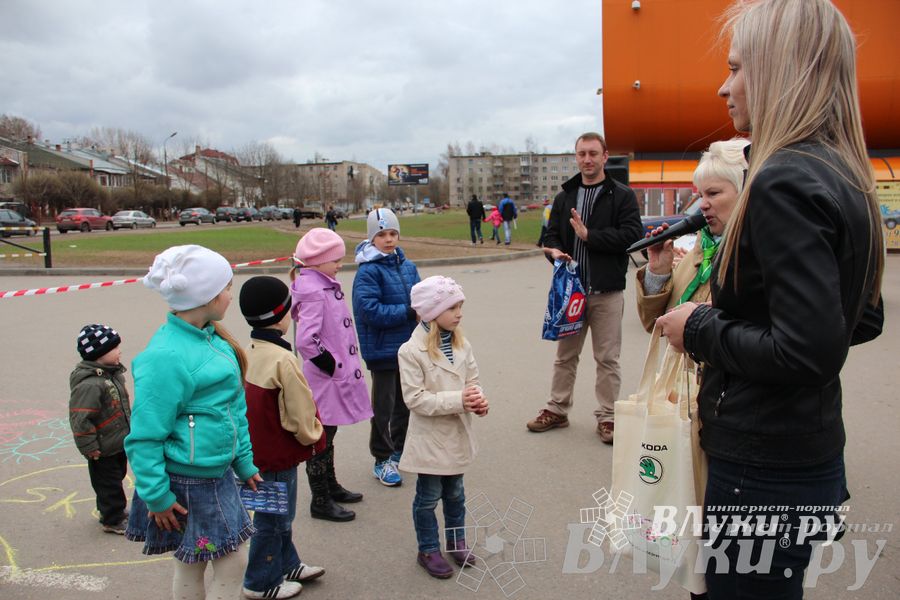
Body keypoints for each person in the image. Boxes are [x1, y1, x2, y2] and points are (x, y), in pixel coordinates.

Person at [655, 1, 884, 597]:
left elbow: (807, 351)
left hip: (762, 464)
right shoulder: (842, 171)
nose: (723, 87)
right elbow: (862, 320)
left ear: (781, 69)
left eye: (736, 68)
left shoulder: (783, 178)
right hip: (803, 449)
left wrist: (698, 326)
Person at [124, 245, 262, 600]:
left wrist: (244, 462)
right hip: (188, 483)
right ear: (207, 296)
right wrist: (156, 495)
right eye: (227, 288)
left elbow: (234, 409)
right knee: (226, 562)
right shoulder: (166, 356)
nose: (231, 295)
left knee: (198, 562)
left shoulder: (215, 340)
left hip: (217, 474)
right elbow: (145, 437)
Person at [526, 132, 643, 443]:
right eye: (582, 154)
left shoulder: (621, 195)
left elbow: (632, 236)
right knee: (565, 356)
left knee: (607, 358)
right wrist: (554, 252)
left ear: (605, 156)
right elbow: (551, 235)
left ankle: (608, 417)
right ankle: (557, 409)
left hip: (607, 291)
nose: (587, 159)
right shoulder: (565, 196)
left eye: (593, 153)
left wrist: (591, 236)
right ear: (576, 157)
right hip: (571, 292)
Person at [238, 276, 326, 599]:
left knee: (276, 515)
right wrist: (313, 436)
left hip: (257, 451)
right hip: (277, 454)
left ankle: (287, 563)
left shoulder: (248, 351)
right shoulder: (283, 359)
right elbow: (300, 413)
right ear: (280, 316)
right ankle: (260, 581)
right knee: (274, 518)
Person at [398, 276, 488, 579]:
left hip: (457, 433)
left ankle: (456, 541)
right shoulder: (410, 351)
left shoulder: (462, 343)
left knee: (456, 494)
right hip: (430, 440)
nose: (459, 314)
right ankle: (428, 549)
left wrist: (477, 400)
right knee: (428, 497)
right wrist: (459, 400)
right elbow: (415, 399)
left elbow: (472, 381)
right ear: (430, 313)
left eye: (460, 306)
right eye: (452, 308)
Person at [291, 228, 372, 521]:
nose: (340, 265)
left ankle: (331, 485)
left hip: (330, 377)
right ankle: (320, 499)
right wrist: (333, 365)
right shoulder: (314, 290)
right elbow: (306, 340)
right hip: (324, 380)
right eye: (335, 260)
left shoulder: (321, 284)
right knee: (321, 438)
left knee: (329, 434)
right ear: (317, 261)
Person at [635, 138, 750, 332]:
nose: (702, 205)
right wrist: (657, 273)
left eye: (713, 193)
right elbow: (655, 324)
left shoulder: (759, 259)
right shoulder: (698, 253)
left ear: (746, 192)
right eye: (701, 195)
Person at [352, 208, 421, 487]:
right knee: (384, 406)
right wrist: (408, 312)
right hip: (382, 350)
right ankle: (381, 459)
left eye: (393, 233)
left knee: (405, 404)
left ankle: (398, 450)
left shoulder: (407, 266)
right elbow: (370, 311)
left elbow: (420, 298)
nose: (389, 239)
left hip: (408, 348)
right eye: (382, 235)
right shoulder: (368, 271)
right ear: (372, 238)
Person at [68, 323, 131, 535]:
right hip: (102, 447)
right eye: (115, 348)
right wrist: (89, 446)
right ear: (99, 353)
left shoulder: (112, 375)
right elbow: (80, 417)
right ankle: (112, 519)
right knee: (108, 483)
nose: (120, 351)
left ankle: (114, 511)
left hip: (116, 440)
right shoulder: (91, 384)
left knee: (117, 476)